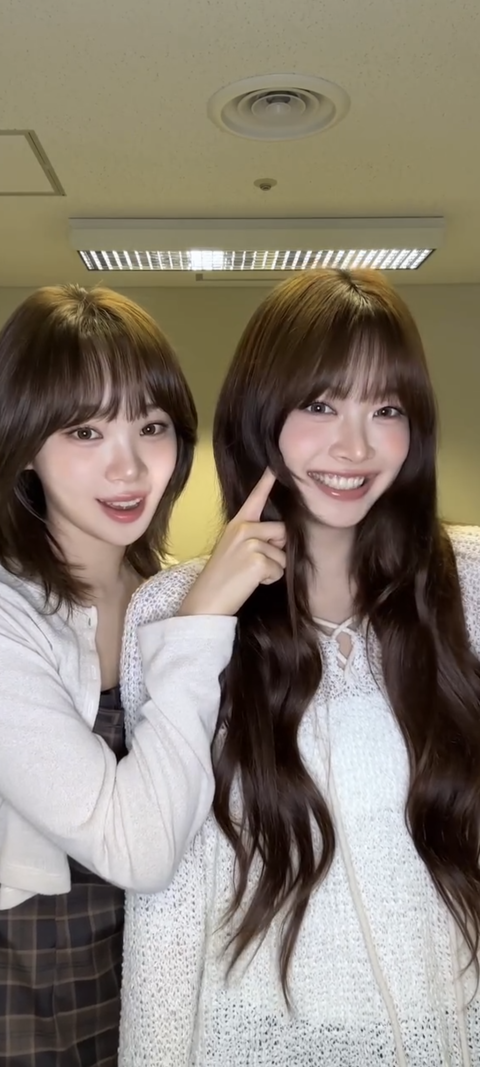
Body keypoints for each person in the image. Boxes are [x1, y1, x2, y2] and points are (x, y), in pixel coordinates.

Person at [119, 268, 480, 1067]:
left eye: (386, 409)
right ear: (262, 412)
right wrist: (203, 622)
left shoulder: (469, 585)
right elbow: (166, 895)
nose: (354, 447)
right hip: (246, 1042)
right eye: (319, 405)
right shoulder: (171, 607)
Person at [0, 283, 273, 1067]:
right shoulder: (11, 615)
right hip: (31, 972)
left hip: (163, 960)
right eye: (85, 430)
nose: (127, 467)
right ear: (23, 442)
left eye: (151, 427)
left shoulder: (171, 598)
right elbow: (139, 848)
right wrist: (205, 614)